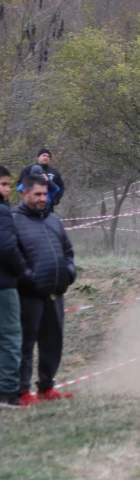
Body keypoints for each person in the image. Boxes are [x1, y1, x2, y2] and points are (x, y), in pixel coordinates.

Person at [12, 175, 76, 406]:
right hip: (29, 295)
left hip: (56, 292)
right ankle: (22, 391)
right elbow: (13, 258)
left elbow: (68, 252)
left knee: (53, 341)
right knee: (26, 344)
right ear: (25, 193)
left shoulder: (53, 220)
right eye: (38, 194)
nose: (43, 198)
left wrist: (69, 272)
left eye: (45, 194)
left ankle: (47, 387)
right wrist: (30, 279)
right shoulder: (13, 220)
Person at [0, 166, 26, 409]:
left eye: (8, 185)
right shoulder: (2, 212)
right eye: (4, 184)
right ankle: (8, 392)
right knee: (10, 335)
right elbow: (6, 247)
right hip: (4, 284)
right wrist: (21, 269)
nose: (8, 190)